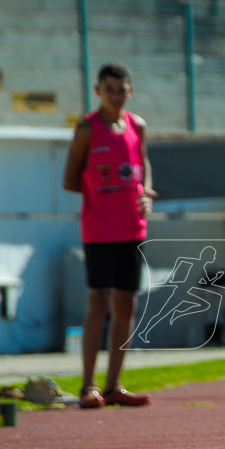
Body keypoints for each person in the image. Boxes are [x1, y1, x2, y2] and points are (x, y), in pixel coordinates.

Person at [62, 62, 154, 409]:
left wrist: (145, 192)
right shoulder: (87, 128)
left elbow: (142, 165)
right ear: (98, 90)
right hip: (100, 228)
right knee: (98, 300)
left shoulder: (137, 126)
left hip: (132, 227)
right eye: (109, 90)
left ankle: (114, 384)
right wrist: (103, 196)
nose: (116, 96)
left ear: (129, 92)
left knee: (126, 303)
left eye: (122, 90)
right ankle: (88, 386)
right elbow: (70, 178)